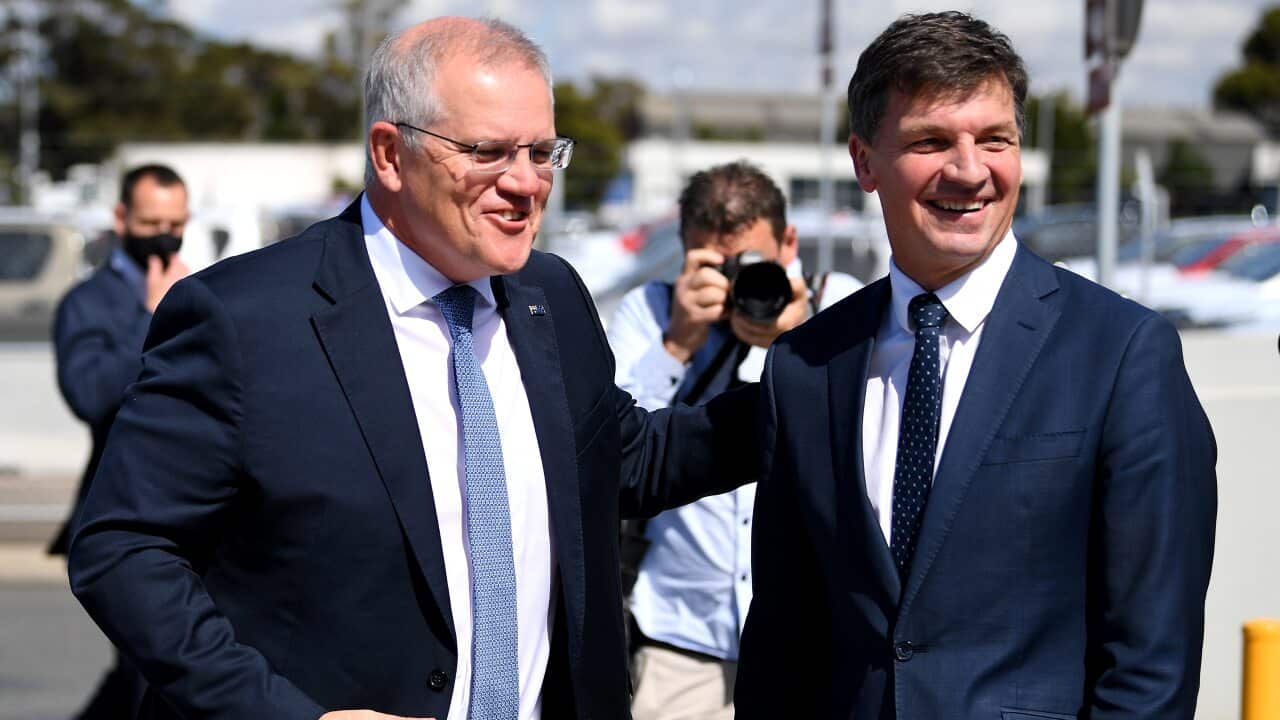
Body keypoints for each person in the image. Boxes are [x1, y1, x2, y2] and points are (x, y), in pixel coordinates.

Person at [67, 17, 755, 720]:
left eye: (542, 152)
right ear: (390, 154)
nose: (526, 182)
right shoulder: (244, 319)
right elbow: (124, 548)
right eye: (488, 152)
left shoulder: (551, 297)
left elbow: (625, 459)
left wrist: (800, 390)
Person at [734, 12, 1217, 719]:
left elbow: (1151, 667)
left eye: (995, 139)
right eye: (931, 141)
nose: (969, 170)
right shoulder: (806, 366)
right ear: (864, 162)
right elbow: (782, 644)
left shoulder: (1122, 354)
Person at [607, 161, 859, 720]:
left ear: (789, 244)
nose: (738, 285)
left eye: (752, 265)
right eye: (716, 268)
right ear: (685, 253)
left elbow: (868, 430)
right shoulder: (650, 313)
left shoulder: (837, 303)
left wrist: (802, 342)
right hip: (680, 641)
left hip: (811, 639)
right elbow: (613, 453)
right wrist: (677, 345)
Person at [51, 163, 190, 719]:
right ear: (121, 218)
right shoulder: (88, 303)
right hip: (124, 511)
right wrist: (155, 317)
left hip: (195, 511)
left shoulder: (198, 290)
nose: (164, 237)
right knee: (145, 670)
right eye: (151, 223)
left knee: (160, 673)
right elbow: (90, 394)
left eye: (176, 225)